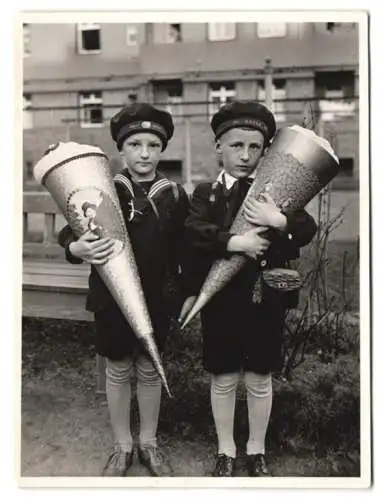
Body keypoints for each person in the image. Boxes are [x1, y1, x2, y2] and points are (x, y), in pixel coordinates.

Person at [179, 101, 317, 477]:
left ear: (265, 151)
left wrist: (279, 219)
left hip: (263, 298)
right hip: (221, 301)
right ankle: (226, 448)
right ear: (218, 147)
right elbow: (193, 234)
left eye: (254, 147)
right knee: (223, 375)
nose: (245, 155)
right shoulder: (206, 193)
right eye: (236, 145)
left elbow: (305, 229)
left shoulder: (276, 190)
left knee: (259, 376)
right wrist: (234, 243)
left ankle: (256, 449)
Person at [58, 102, 189, 477]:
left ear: (162, 149)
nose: (144, 153)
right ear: (121, 149)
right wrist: (75, 248)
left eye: (152, 144)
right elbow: (73, 227)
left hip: (156, 299)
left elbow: (184, 248)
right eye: (135, 144)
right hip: (111, 298)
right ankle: (122, 445)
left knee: (149, 368)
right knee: (116, 367)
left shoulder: (174, 195)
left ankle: (148, 442)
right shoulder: (102, 188)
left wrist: (182, 290)